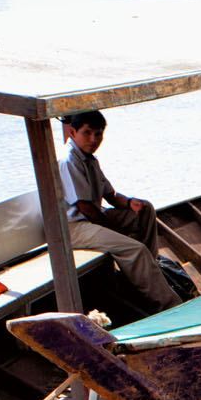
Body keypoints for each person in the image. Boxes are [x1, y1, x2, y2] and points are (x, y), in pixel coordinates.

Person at [58, 111, 182, 312]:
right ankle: (170, 306)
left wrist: (130, 203)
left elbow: (111, 194)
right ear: (73, 132)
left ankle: (148, 273)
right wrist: (116, 230)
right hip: (73, 228)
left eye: (98, 134)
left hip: (93, 218)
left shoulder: (89, 159)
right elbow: (86, 208)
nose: (93, 139)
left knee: (146, 209)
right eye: (87, 133)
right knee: (135, 249)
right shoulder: (69, 160)